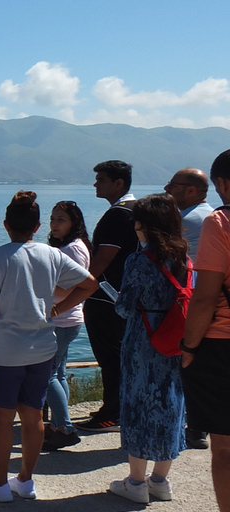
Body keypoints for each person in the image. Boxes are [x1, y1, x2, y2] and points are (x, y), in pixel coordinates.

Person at [0, 191, 97, 503]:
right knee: (33, 414)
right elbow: (89, 283)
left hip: (4, 351)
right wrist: (57, 310)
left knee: (1, 418)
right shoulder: (51, 255)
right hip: (42, 347)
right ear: (38, 226)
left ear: (5, 224)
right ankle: (24, 479)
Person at [107, 194, 189, 504]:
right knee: (170, 403)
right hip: (174, 340)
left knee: (137, 405)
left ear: (145, 226)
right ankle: (161, 480)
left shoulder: (140, 260)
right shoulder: (185, 259)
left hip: (143, 339)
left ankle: (136, 482)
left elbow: (125, 307)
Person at [181, 149, 230, 512]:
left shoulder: (220, 222)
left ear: (223, 184)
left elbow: (205, 297)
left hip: (222, 346)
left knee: (225, 448)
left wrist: (188, 346)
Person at [77, 160, 138, 432]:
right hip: (125, 297)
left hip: (106, 297)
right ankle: (119, 408)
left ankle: (112, 414)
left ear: (119, 183)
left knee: (109, 357)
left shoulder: (118, 214)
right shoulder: (138, 210)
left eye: (100, 179)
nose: (95, 184)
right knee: (121, 356)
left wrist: (79, 288)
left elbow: (101, 262)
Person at [164, 167, 213, 450]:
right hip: (209, 301)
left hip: (190, 301)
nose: (168, 188)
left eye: (174, 184)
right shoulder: (211, 217)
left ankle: (191, 428)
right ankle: (199, 426)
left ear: (191, 190)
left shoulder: (188, 221)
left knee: (185, 363)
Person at [43, 201, 91, 451]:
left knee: (46, 375)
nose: (54, 224)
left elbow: (71, 287)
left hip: (61, 319)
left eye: (61, 219)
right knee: (58, 373)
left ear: (74, 222)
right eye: (52, 219)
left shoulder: (73, 249)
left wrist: (38, 288)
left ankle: (64, 427)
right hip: (67, 320)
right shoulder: (68, 246)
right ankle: (58, 424)